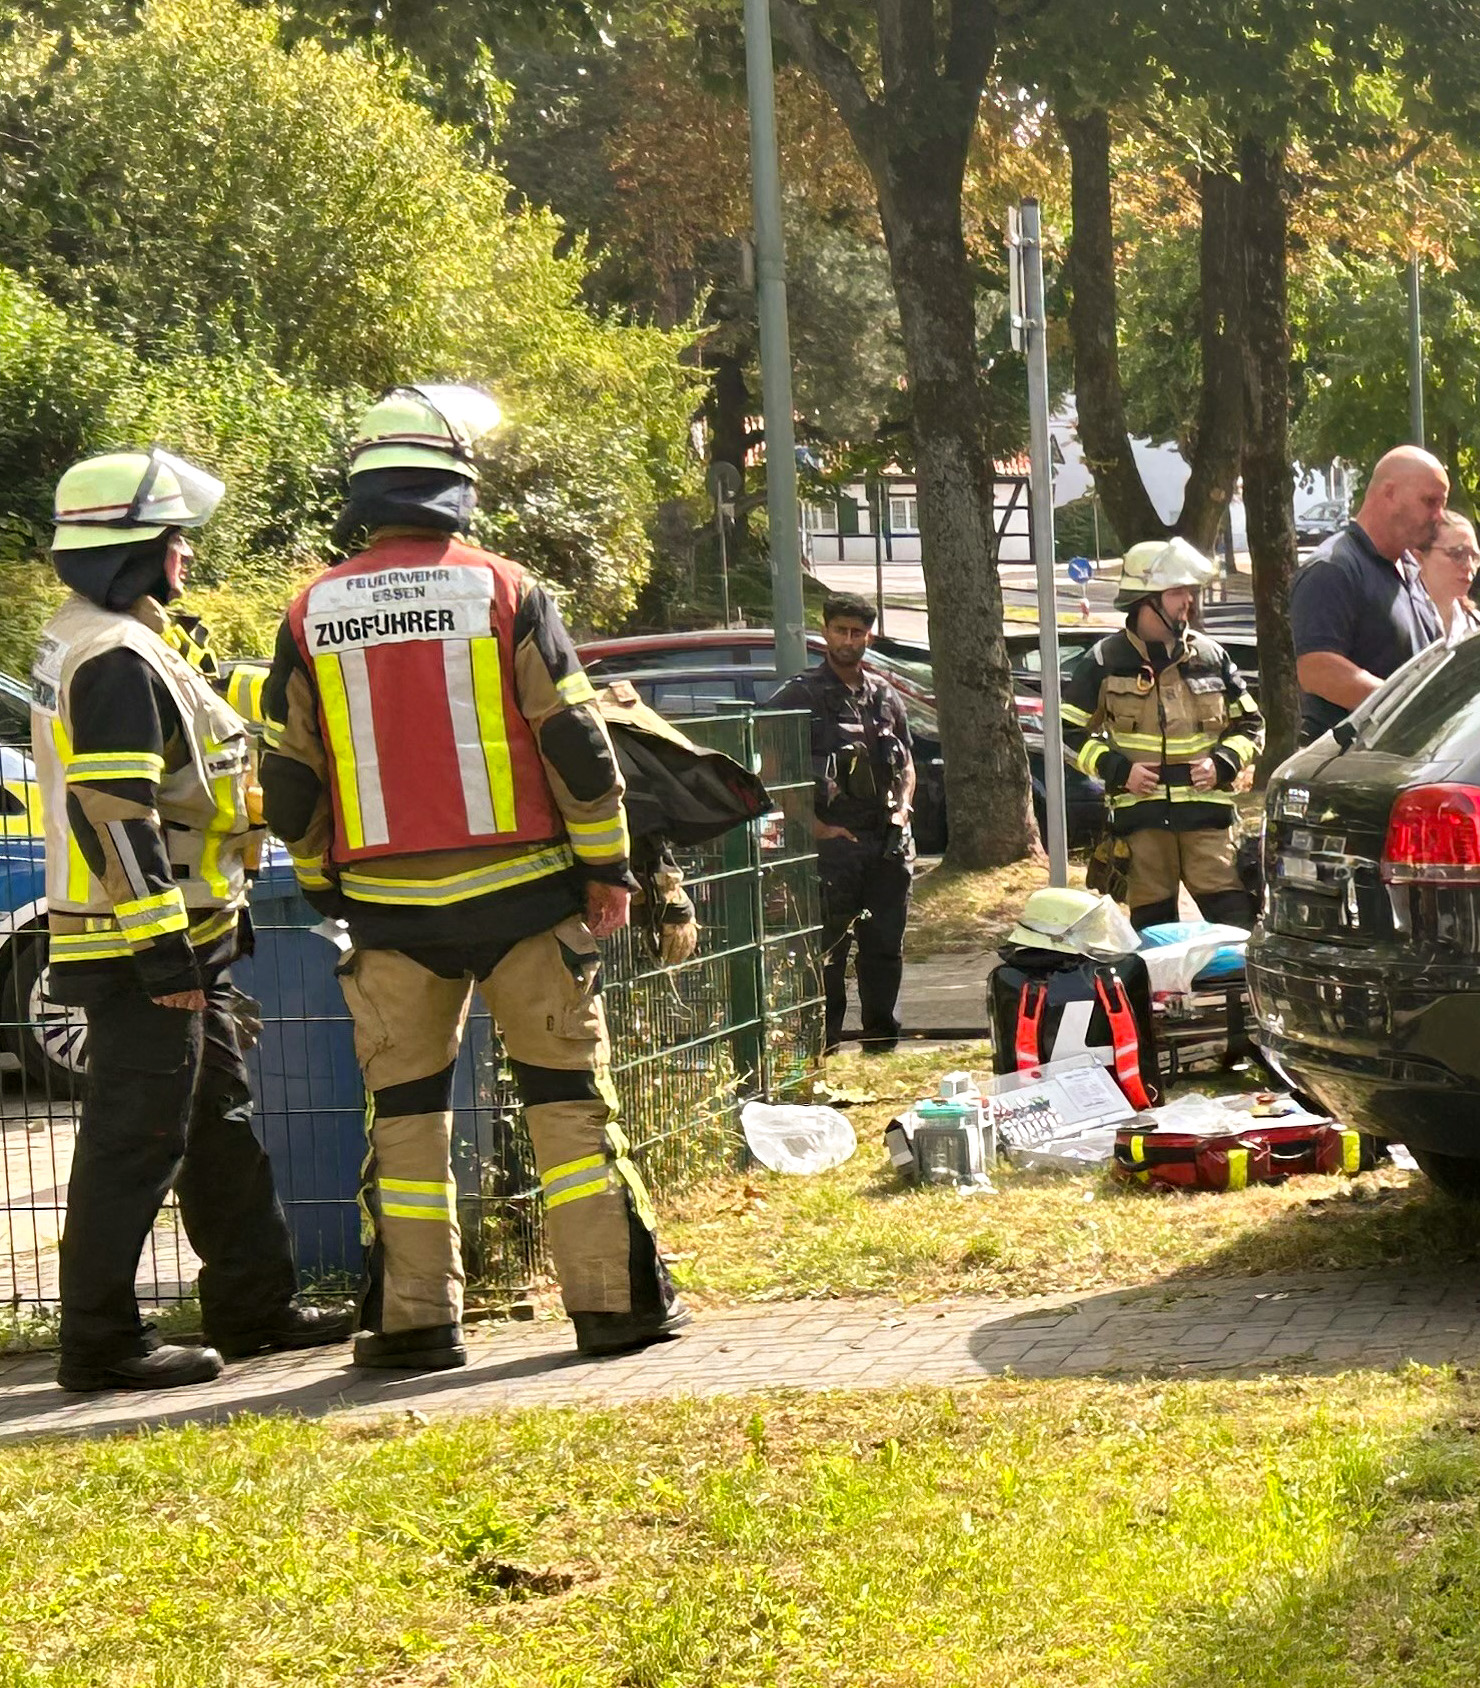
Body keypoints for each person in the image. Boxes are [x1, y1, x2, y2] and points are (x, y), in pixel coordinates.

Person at [261, 382, 685, 1374]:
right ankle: (613, 1308)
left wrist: (323, 884)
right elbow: (577, 746)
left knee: (406, 1121)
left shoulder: (311, 609)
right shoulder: (502, 589)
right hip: (526, 900)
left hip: (388, 915)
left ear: (365, 494)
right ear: (456, 487)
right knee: (566, 1103)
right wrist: (607, 868)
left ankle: (413, 1323)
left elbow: (291, 782)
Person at [33, 449, 350, 1391]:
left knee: (217, 1121)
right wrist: (164, 952)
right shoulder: (115, 658)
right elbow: (114, 810)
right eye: (174, 538)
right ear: (132, 551)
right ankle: (100, 1343)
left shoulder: (104, 634)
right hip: (143, 948)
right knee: (136, 1140)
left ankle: (254, 1305)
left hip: (179, 940)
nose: (185, 554)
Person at [1062, 536, 1258, 930]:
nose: (1188, 600)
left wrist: (1223, 763)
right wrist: (1119, 771)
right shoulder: (1104, 661)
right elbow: (1066, 733)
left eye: (1189, 591)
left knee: (1237, 928)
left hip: (1208, 822)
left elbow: (1252, 726)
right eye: (1177, 592)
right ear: (1146, 600)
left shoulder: (1211, 657)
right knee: (1154, 936)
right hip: (1142, 826)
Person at [766, 597, 916, 1051]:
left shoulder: (885, 695)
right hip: (831, 845)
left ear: (870, 636)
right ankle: (824, 1043)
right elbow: (772, 769)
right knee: (828, 952)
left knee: (884, 947)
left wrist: (903, 810)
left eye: (857, 633)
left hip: (886, 841)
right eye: (840, 630)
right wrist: (812, 825)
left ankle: (881, 1040)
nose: (848, 640)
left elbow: (907, 763)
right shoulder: (800, 695)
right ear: (825, 631)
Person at [1292, 446, 1449, 737]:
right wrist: (1409, 707)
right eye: (1430, 501)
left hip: (1404, 753)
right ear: (1389, 493)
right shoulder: (1333, 568)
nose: (1439, 515)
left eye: (1443, 504)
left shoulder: (1408, 567)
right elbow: (1317, 670)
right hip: (1352, 759)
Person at [1423, 510, 1480, 636]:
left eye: (1475, 557)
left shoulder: (1475, 624)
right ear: (1420, 558)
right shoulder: (1405, 619)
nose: (1470, 566)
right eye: (1458, 554)